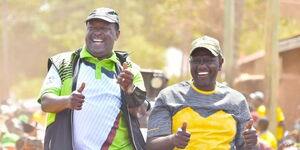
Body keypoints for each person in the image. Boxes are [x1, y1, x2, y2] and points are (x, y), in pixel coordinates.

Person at [38, 7, 149, 150]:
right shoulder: (63, 63)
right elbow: (46, 103)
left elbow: (140, 112)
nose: (97, 32)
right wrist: (67, 101)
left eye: (104, 28)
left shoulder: (129, 69)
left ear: (117, 34)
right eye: (92, 28)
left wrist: (130, 90)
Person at [146, 35, 258, 150]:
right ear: (190, 63)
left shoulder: (236, 101)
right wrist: (173, 140)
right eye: (196, 61)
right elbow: (151, 145)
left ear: (220, 62)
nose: (202, 66)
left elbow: (246, 146)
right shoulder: (169, 97)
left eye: (208, 60)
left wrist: (252, 143)